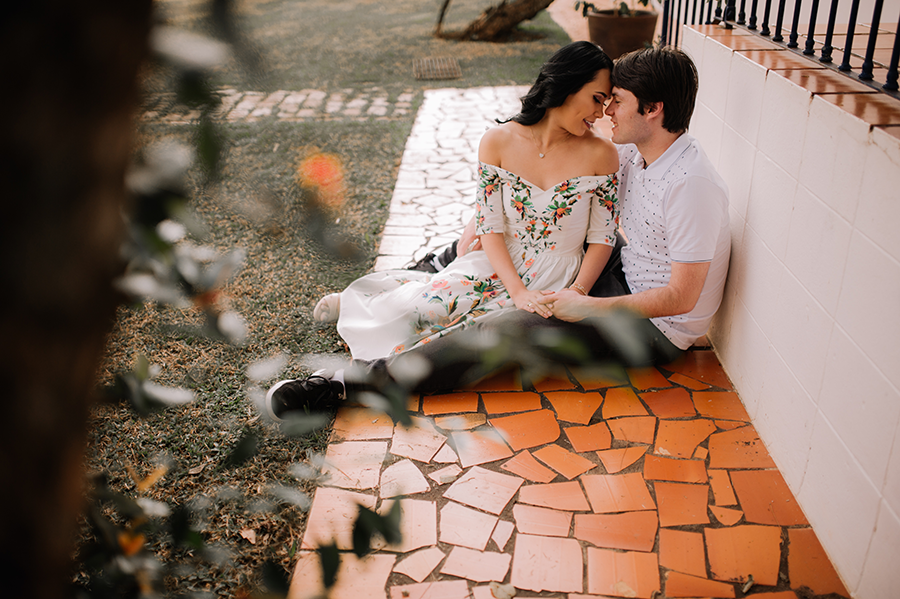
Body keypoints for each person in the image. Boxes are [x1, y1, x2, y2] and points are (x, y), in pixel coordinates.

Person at [266, 46, 731, 420]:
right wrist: (485, 218)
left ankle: (348, 384)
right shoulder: (638, 152)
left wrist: (585, 303)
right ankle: (426, 271)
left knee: (510, 329)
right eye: (604, 98)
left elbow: (681, 298)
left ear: (653, 109)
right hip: (624, 272)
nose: (607, 109)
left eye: (618, 101)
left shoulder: (691, 186)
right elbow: (562, 200)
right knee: (518, 230)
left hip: (654, 328)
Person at [307, 41, 619, 363]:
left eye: (607, 102)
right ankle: (359, 302)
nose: (601, 113)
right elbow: (490, 224)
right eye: (597, 99)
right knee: (420, 310)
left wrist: (577, 292)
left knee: (467, 338)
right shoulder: (497, 141)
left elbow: (602, 237)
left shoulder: (603, 154)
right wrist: (517, 290)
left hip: (558, 276)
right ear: (567, 85)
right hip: (498, 262)